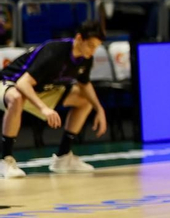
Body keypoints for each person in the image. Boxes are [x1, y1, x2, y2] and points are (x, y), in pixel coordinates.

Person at [0, 21, 108, 178]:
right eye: (91, 45)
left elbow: (84, 84)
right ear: (79, 38)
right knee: (16, 97)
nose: (93, 51)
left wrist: (99, 109)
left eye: (96, 47)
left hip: (39, 90)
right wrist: (44, 108)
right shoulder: (55, 51)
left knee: (84, 100)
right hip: (9, 83)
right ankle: (6, 160)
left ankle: (63, 157)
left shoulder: (85, 58)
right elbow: (23, 83)